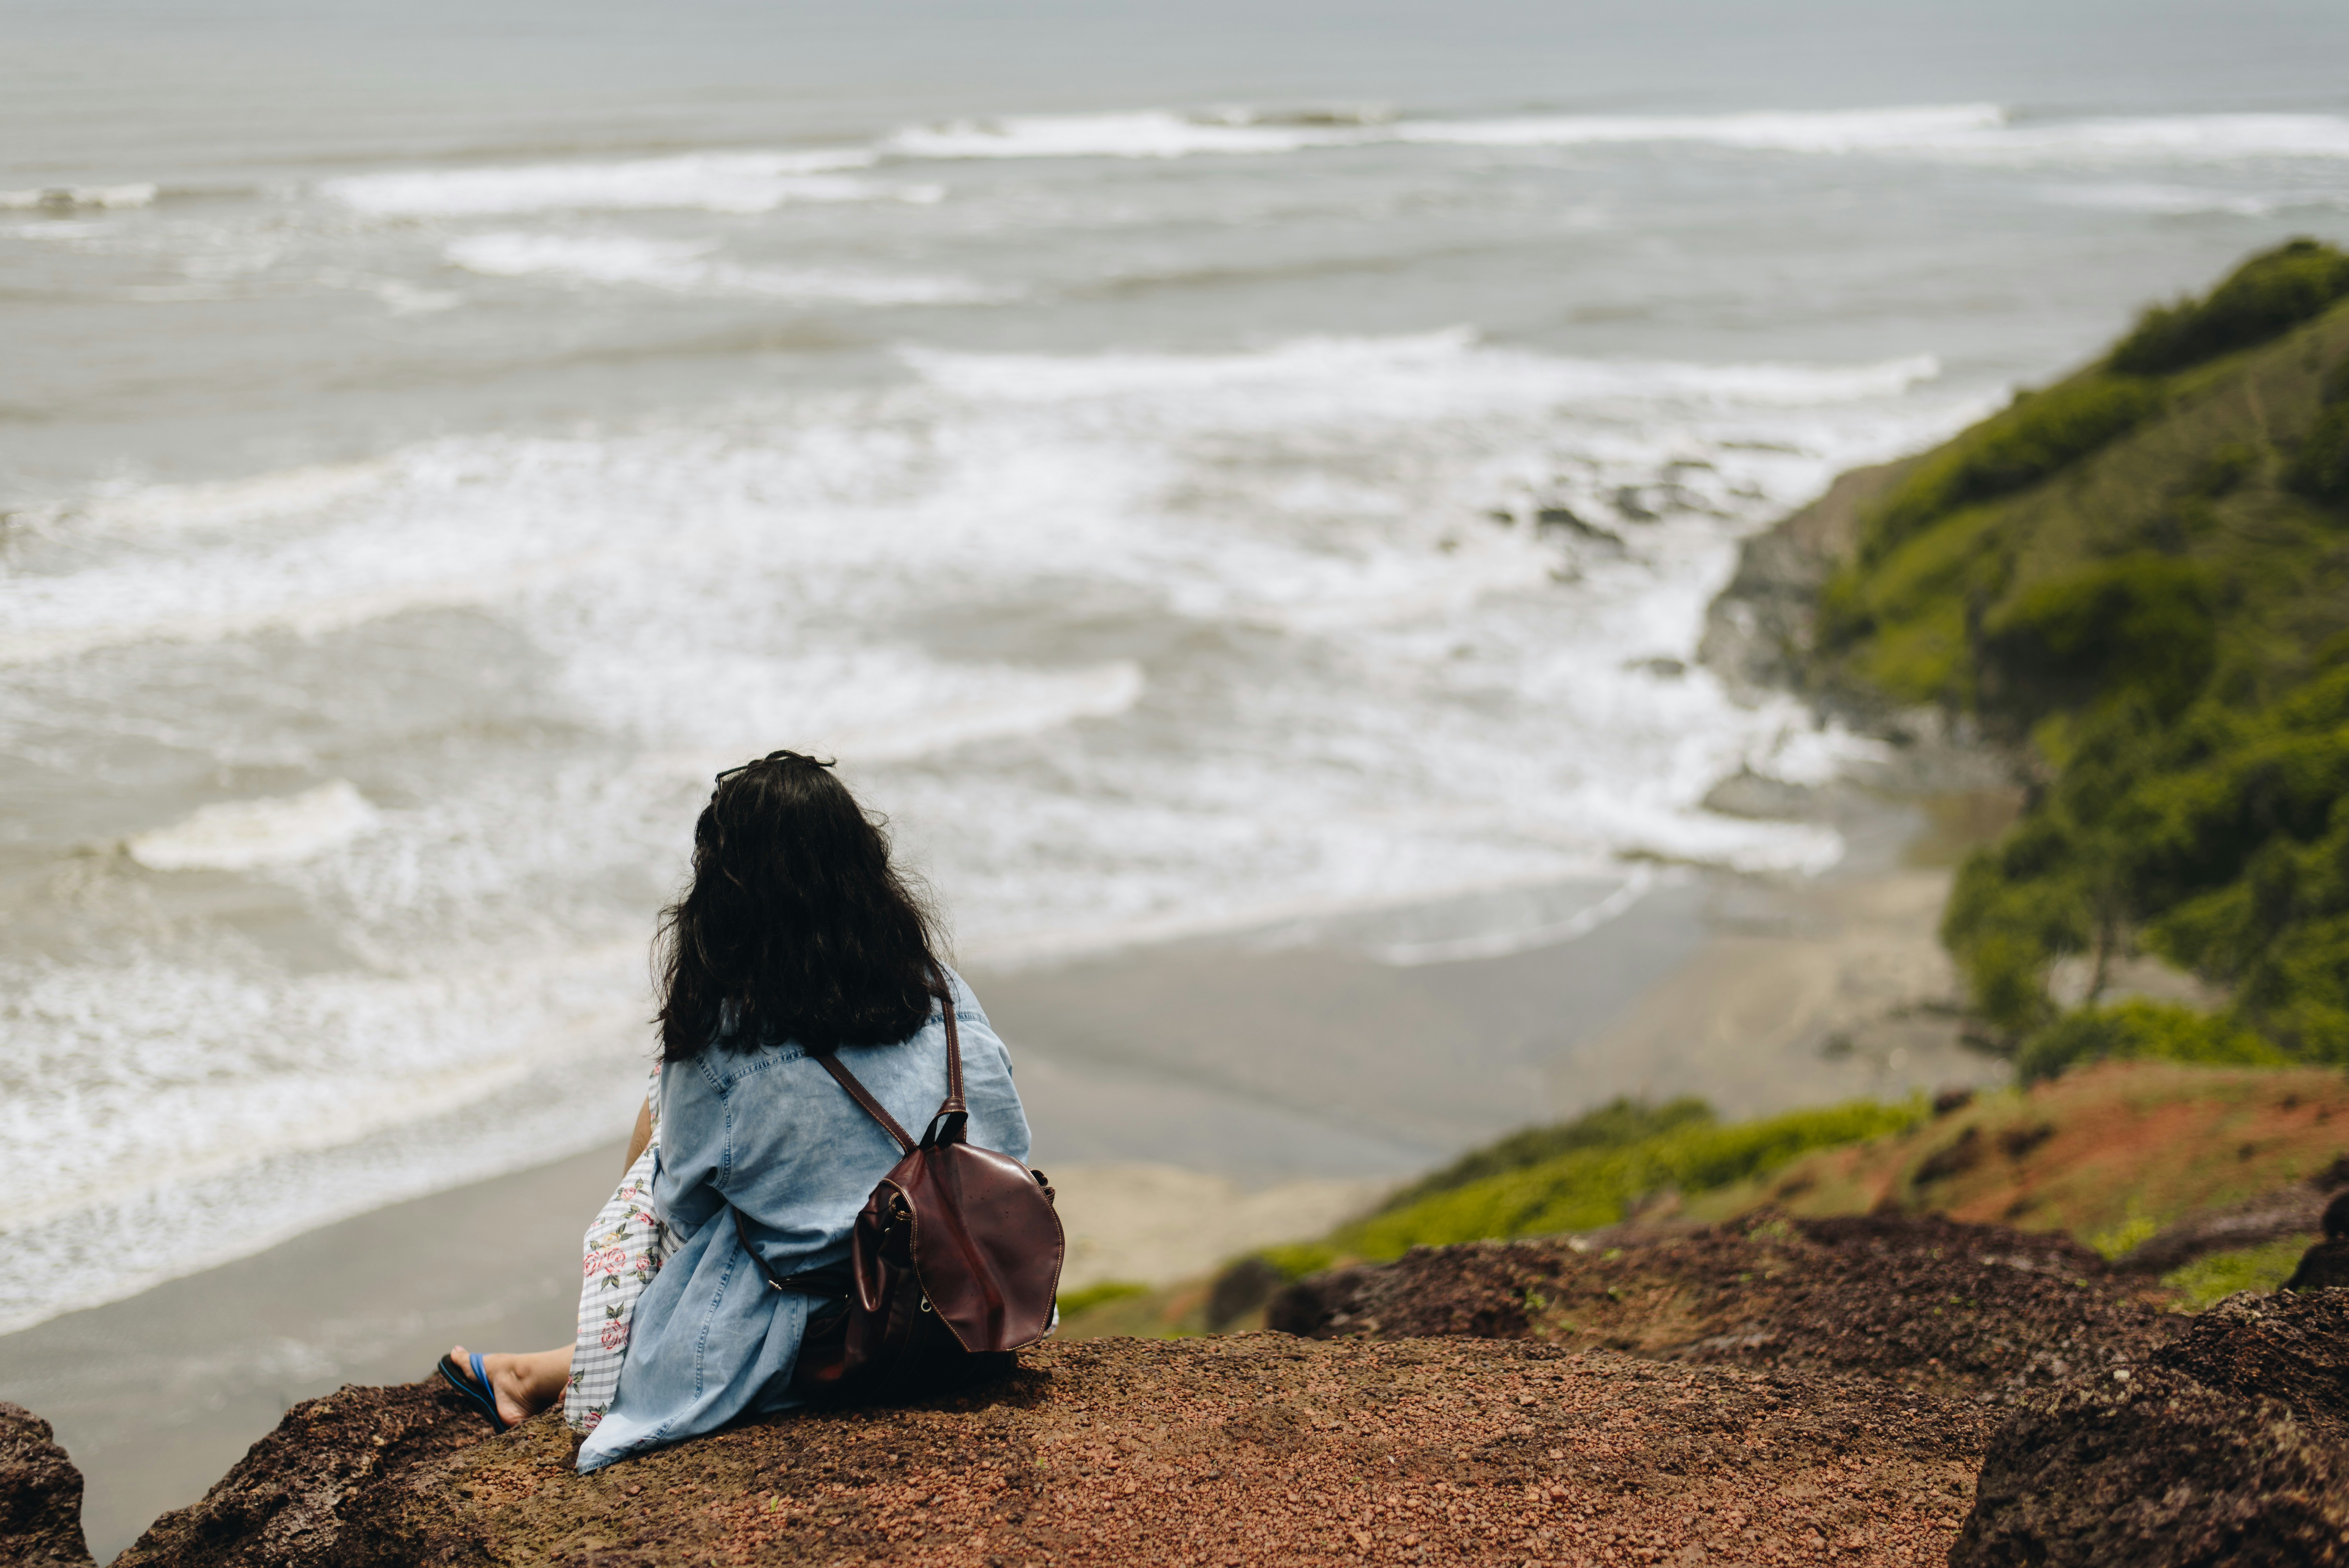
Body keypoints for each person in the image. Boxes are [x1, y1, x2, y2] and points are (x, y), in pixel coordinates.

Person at [436, 750, 1034, 1470]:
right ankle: (537, 1371)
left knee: (661, 1144)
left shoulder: (724, 1039)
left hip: (826, 1342)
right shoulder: (943, 992)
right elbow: (1008, 1147)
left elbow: (681, 1215)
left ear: (725, 892)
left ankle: (578, 1368)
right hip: (971, 1312)